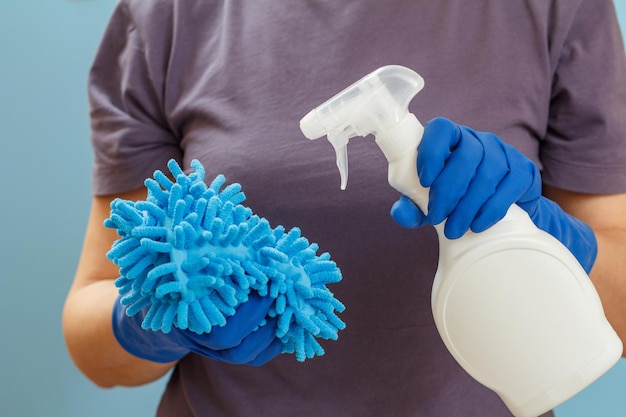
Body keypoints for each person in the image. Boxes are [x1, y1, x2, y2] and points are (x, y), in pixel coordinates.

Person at [62, 0, 626, 416]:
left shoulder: (557, 9)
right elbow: (91, 339)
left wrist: (547, 234)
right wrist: (159, 315)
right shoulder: (167, 16)